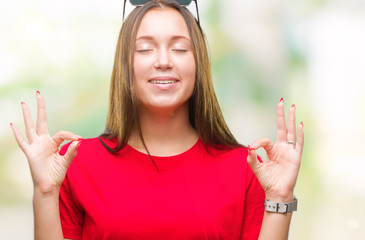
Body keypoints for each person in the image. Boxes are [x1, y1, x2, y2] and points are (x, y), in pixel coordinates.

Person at [10, 0, 304, 239]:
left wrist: (280, 197)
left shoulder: (246, 168)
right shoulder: (77, 162)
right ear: (125, 65)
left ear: (198, 63)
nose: (163, 61)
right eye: (145, 48)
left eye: (179, 48)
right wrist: (45, 193)